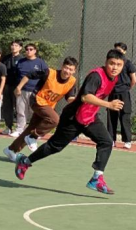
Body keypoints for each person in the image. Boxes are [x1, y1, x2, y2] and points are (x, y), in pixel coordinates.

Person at [14, 50, 126, 195]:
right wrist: (109, 104)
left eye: (118, 65)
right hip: (72, 117)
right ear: (106, 62)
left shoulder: (115, 78)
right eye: (112, 63)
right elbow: (86, 97)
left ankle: (97, 179)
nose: (115, 67)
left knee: (106, 142)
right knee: (54, 147)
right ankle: (25, 162)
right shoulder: (96, 76)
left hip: (89, 117)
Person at [3, 57, 78, 162]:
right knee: (55, 120)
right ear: (62, 66)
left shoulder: (72, 81)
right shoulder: (49, 73)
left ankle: (11, 150)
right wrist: (19, 87)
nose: (67, 71)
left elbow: (70, 97)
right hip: (37, 100)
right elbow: (29, 75)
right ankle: (33, 137)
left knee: (31, 128)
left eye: (71, 69)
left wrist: (78, 102)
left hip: (48, 106)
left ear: (74, 71)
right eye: (66, 68)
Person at [13, 43, 49, 138]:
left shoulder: (40, 62)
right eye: (27, 49)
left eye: (31, 49)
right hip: (22, 91)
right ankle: (20, 129)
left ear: (35, 51)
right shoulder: (21, 62)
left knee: (35, 112)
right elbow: (16, 75)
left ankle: (34, 131)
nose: (28, 51)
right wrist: (17, 88)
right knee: (21, 111)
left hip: (35, 92)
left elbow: (46, 76)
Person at [108, 42, 136, 149]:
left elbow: (134, 80)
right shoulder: (111, 64)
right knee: (111, 117)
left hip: (124, 93)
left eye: (119, 51)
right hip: (112, 93)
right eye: (116, 50)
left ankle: (127, 141)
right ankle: (111, 140)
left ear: (124, 52)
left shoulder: (128, 64)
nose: (117, 52)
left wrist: (126, 89)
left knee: (125, 116)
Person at [1, 40, 24, 134]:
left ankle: (19, 129)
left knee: (18, 108)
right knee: (7, 107)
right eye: (12, 45)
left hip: (17, 87)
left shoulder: (22, 59)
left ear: (20, 48)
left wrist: (19, 87)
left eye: (16, 45)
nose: (13, 47)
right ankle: (8, 127)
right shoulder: (6, 58)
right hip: (7, 86)